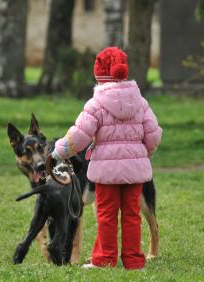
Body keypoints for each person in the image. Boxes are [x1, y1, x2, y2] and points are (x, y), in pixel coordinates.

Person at [51, 47, 162, 270]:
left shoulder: (96, 104)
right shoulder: (140, 102)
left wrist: (58, 151)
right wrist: (143, 156)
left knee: (106, 216)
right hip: (135, 172)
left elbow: (79, 136)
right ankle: (134, 261)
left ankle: (104, 260)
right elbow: (154, 134)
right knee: (132, 216)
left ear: (99, 75)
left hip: (105, 174)